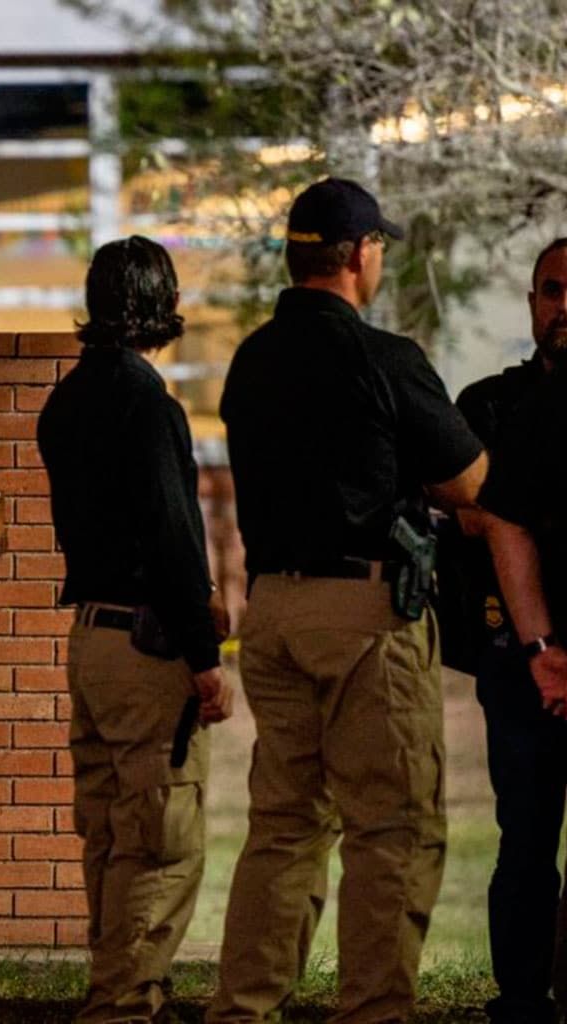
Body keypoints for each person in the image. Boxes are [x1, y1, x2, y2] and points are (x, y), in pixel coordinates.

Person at [206, 178, 487, 1024]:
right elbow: (470, 482)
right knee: (392, 830)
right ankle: (371, 1011)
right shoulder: (384, 358)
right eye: (378, 248)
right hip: (365, 616)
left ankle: (243, 1009)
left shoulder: (252, 360)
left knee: (284, 827)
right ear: (359, 254)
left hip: (274, 613)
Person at [37, 235, 233, 1024]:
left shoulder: (65, 402)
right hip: (148, 644)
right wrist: (205, 657)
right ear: (165, 304)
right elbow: (172, 537)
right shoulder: (150, 406)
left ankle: (120, 983)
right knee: (159, 837)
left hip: (90, 637)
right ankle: (124, 1001)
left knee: (110, 832)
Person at [453, 238, 567, 1024]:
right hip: (520, 660)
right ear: (531, 304)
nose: (564, 307)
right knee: (524, 839)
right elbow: (473, 513)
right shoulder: (489, 406)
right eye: (551, 291)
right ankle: (520, 1002)